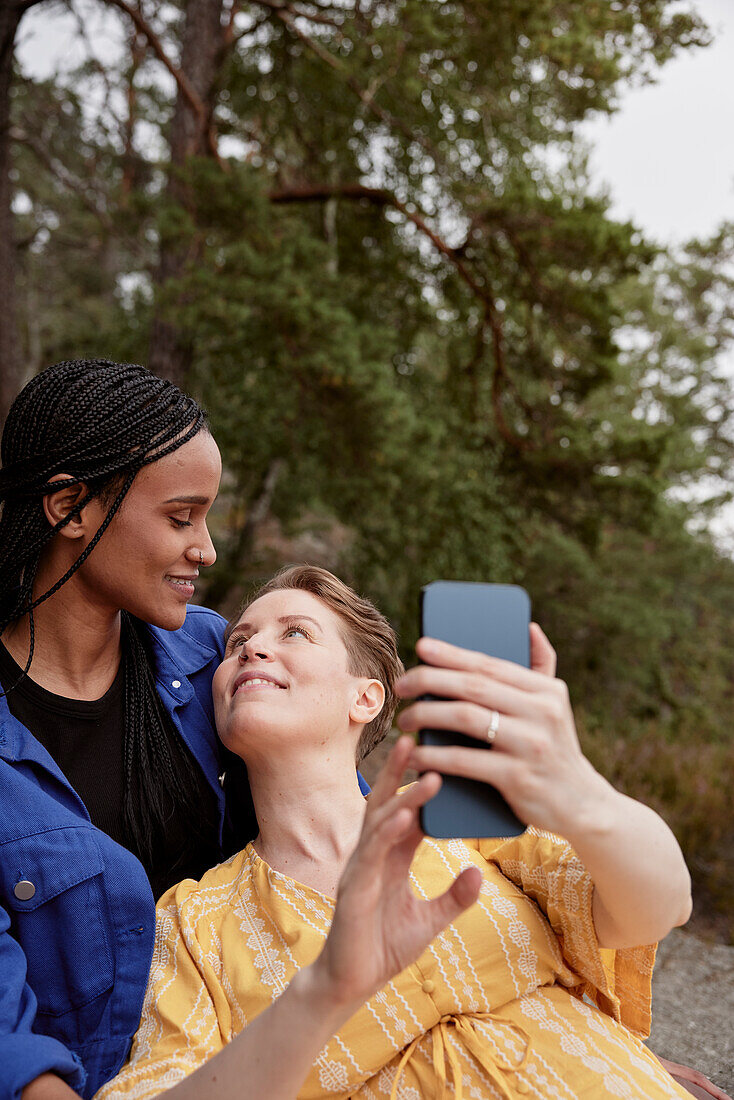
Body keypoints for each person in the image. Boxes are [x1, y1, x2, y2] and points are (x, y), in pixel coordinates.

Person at [97, 564, 697, 1100]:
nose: (252, 650)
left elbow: (658, 908)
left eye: (295, 633)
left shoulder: (462, 818)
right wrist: (326, 989)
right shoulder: (195, 919)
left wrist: (581, 793)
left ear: (365, 698)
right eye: (238, 642)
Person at [0, 359, 370, 1100]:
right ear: (69, 508)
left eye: (206, 517)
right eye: (179, 517)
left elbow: (343, 839)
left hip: (277, 1050)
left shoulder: (215, 658)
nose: (205, 548)